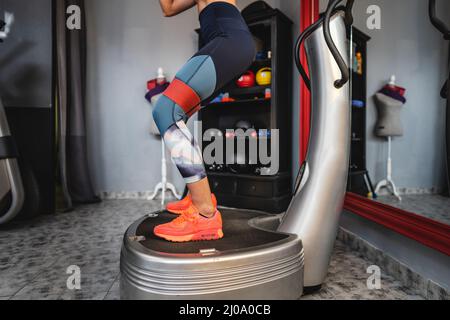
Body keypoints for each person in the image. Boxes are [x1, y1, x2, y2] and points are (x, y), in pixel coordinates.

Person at [153, 0, 255, 242]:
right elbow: (168, 8)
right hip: (228, 44)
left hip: (228, 41)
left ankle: (204, 214)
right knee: (179, 116)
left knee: (165, 111)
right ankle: (197, 196)